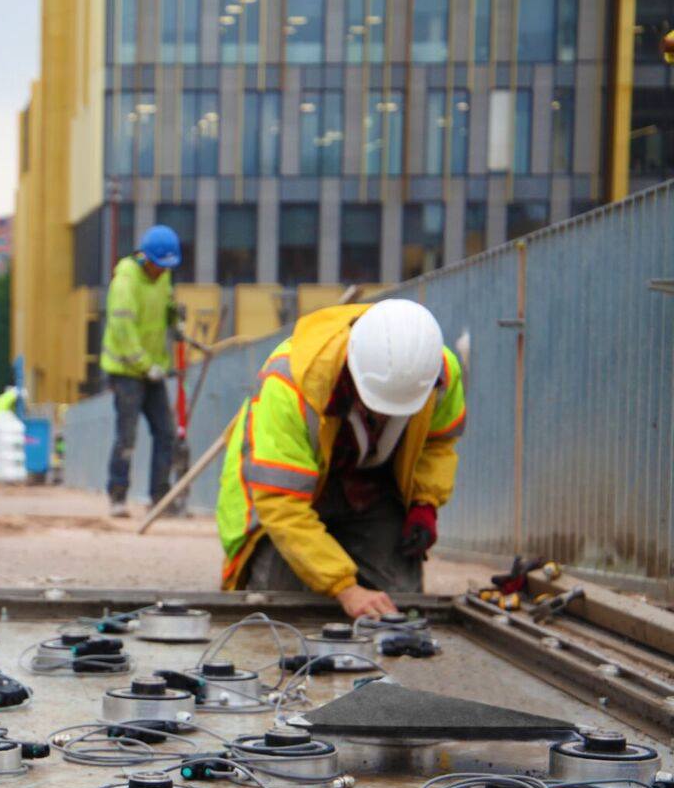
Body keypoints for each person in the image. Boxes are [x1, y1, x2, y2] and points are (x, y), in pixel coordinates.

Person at [215, 299, 465, 619]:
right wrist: (344, 587)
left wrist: (424, 502)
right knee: (278, 602)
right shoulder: (291, 380)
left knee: (401, 601)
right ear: (352, 369)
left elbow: (438, 441)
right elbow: (282, 504)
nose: (384, 416)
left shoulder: (437, 373)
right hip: (288, 496)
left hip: (366, 488)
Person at [102, 224, 180, 517]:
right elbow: (123, 331)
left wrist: (176, 321)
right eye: (159, 266)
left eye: (167, 267)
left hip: (153, 370)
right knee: (127, 435)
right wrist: (145, 366)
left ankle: (160, 497)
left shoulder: (163, 275)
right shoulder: (125, 282)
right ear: (145, 259)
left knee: (166, 433)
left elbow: (166, 304)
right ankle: (118, 496)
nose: (162, 271)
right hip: (127, 371)